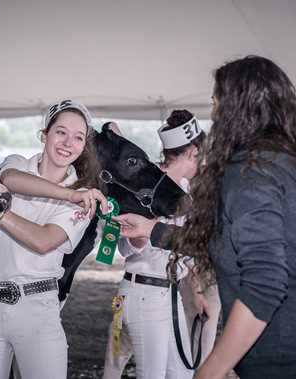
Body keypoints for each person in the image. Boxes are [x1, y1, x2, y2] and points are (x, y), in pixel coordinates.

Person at [114, 56, 296, 379]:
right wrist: (154, 230)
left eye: (216, 102)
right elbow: (222, 241)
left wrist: (210, 370)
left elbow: (266, 281)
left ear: (238, 107)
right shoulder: (281, 163)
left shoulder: (252, 172)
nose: (214, 113)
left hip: (278, 356)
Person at [0, 99, 108, 379]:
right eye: (61, 132)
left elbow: (43, 240)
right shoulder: (17, 164)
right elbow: (10, 180)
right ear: (45, 134)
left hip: (36, 311)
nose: (68, 142)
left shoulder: (84, 198)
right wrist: (69, 194)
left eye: (78, 137)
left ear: (83, 146)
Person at [102, 110, 215, 379]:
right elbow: (119, 247)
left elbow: (186, 251)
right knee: (135, 370)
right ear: (193, 152)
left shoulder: (187, 194)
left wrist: (196, 292)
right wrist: (140, 235)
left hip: (168, 294)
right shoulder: (141, 184)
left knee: (180, 374)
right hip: (140, 292)